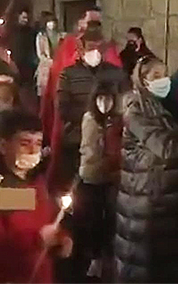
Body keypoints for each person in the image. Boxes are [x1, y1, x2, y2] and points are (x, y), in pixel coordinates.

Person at [115, 56, 178, 282]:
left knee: (165, 265)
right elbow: (164, 145)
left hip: (166, 198)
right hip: (145, 197)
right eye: (156, 76)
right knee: (143, 265)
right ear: (142, 79)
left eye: (165, 74)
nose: (163, 80)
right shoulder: (135, 107)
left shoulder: (165, 105)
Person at [40, 8, 121, 179]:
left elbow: (122, 92)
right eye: (89, 24)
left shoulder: (110, 54)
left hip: (106, 135)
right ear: (79, 24)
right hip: (74, 132)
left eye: (97, 24)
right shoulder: (67, 49)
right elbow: (57, 91)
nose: (92, 29)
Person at [50, 22, 127, 195]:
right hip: (76, 140)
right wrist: (91, 118)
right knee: (76, 191)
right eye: (91, 47)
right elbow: (63, 108)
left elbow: (126, 101)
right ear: (82, 49)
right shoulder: (68, 74)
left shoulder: (116, 73)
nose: (96, 52)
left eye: (99, 48)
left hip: (109, 144)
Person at [0, 110, 72, 283]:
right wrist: (37, 240)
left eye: (38, 143)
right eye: (24, 143)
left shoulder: (37, 183)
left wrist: (61, 239)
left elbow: (47, 221)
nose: (33, 150)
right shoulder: (1, 189)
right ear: (2, 145)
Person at [77, 81, 122, 281]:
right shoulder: (89, 119)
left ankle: (109, 257)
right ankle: (95, 258)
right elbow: (89, 150)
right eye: (100, 98)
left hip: (113, 177)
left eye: (108, 99)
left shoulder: (118, 120)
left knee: (112, 217)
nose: (104, 103)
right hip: (93, 176)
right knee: (94, 218)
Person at [11, 8, 38, 86]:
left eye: (27, 18)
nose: (26, 20)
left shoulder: (31, 31)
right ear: (18, 17)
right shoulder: (12, 31)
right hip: (16, 62)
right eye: (24, 18)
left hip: (29, 64)